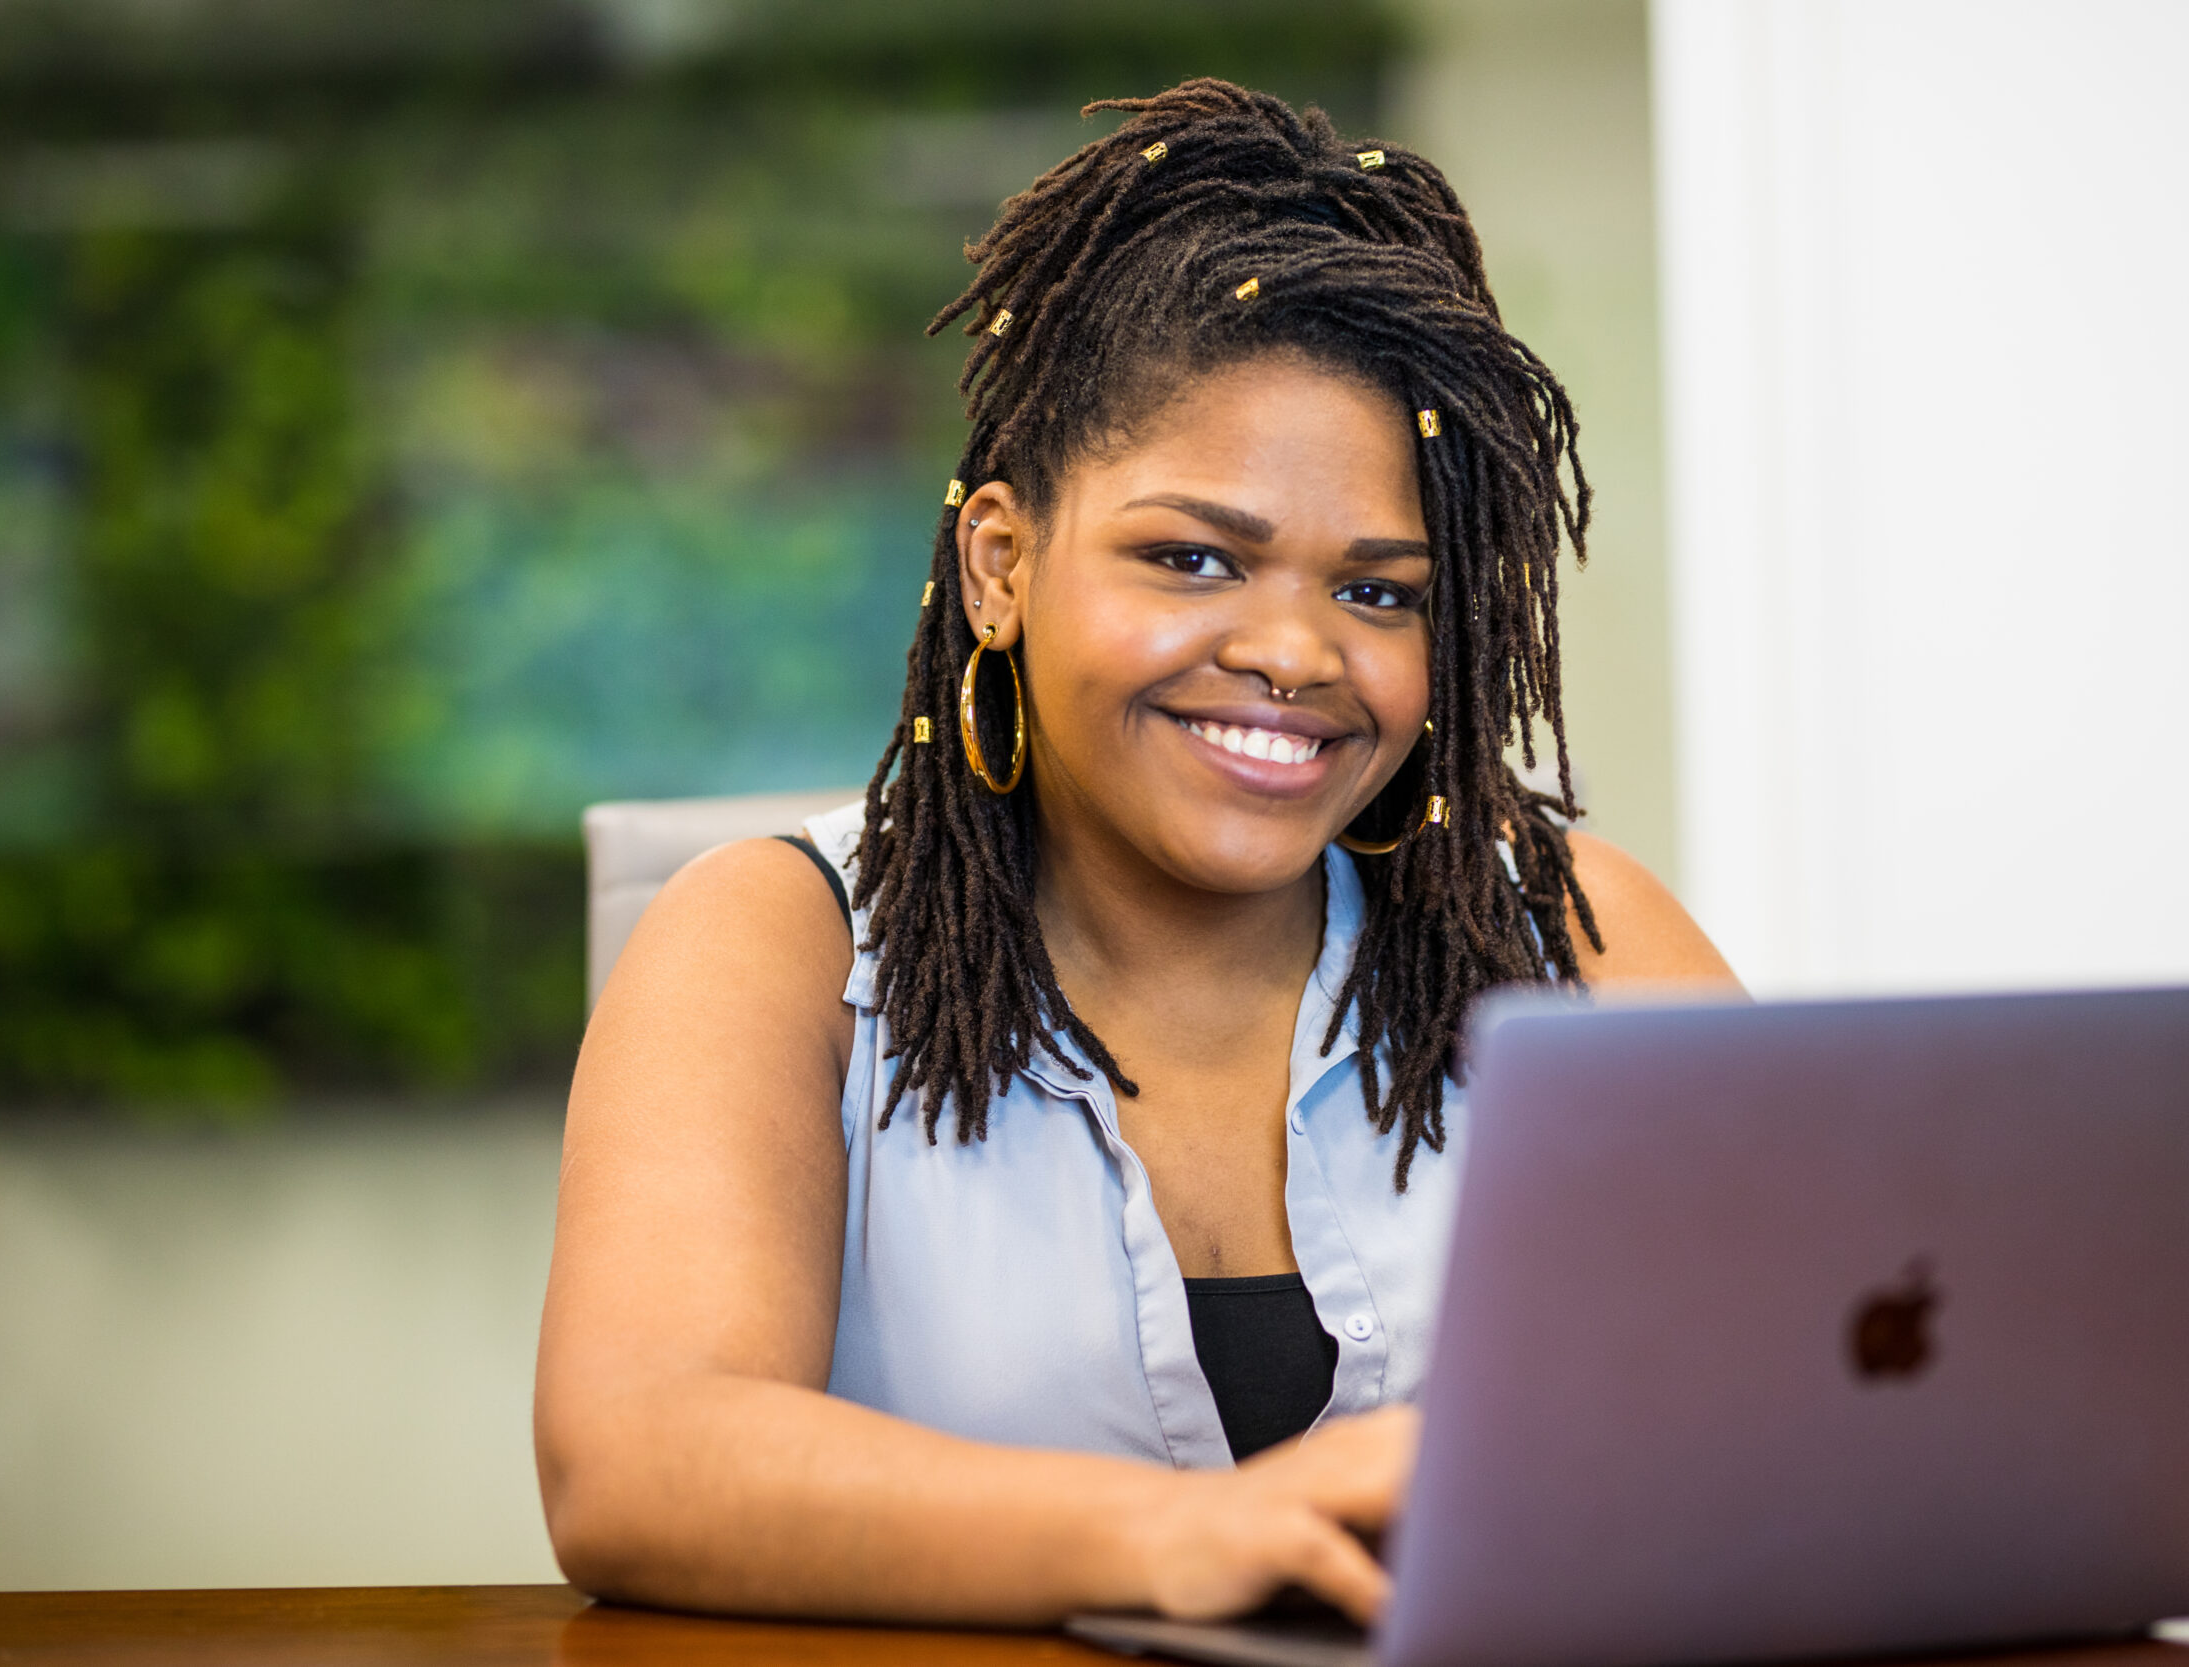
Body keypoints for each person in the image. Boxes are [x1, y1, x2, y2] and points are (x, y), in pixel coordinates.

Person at [533, 79, 1737, 1629]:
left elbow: (1837, 1374)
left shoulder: (1569, 934)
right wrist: (1176, 1538)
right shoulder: (781, 941)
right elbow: (641, 1460)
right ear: (1000, 565)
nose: (1296, 653)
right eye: (1193, 559)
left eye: (1381, 594)